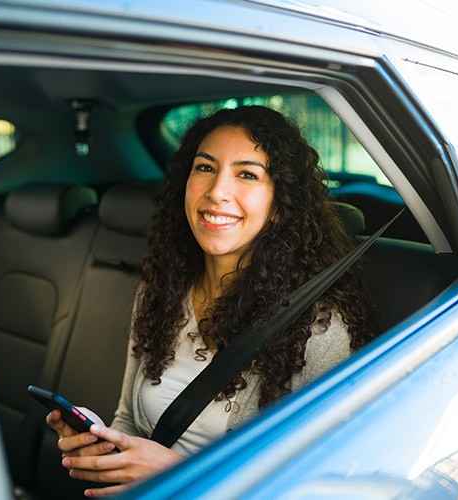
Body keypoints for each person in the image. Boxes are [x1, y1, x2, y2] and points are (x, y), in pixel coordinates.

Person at [46, 105, 374, 497]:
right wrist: (103, 447)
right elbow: (129, 419)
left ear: (279, 206)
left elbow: (318, 488)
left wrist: (177, 473)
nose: (217, 191)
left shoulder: (318, 329)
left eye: (247, 174)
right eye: (204, 167)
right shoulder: (161, 290)